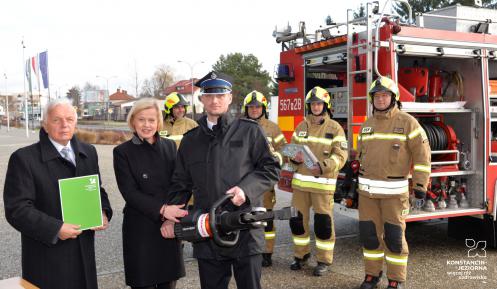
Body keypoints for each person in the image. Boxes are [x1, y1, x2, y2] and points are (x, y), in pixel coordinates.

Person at [161, 71, 280, 289]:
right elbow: (181, 184)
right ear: (202, 98)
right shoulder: (191, 140)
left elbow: (270, 169)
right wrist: (171, 216)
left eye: (220, 95)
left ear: (230, 97)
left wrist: (245, 189)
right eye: (209, 95)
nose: (215, 100)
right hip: (207, 231)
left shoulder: (250, 132)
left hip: (245, 228)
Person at [3, 99, 112, 289]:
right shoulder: (24, 158)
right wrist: (55, 229)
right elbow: (17, 209)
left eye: (69, 119)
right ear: (45, 125)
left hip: (83, 253)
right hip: (47, 256)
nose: (64, 125)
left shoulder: (88, 152)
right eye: (56, 120)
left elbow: (97, 188)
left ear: (76, 123)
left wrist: (102, 210)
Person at [357, 77, 431, 289]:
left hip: (394, 195)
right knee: (370, 237)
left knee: (394, 238)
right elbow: (361, 157)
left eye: (384, 96)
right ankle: (372, 275)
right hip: (367, 195)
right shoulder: (367, 124)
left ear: (393, 98)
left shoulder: (408, 122)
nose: (380, 100)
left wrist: (419, 186)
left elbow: (422, 157)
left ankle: (395, 279)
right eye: (377, 96)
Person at [113, 98, 186, 289]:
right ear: (133, 122)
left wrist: (171, 218)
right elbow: (129, 192)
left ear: (158, 122)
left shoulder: (170, 146)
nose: (147, 125)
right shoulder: (122, 152)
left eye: (151, 120)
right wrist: (163, 210)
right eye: (141, 120)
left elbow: (180, 184)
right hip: (140, 230)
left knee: (168, 283)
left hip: (168, 228)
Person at [288, 86, 348, 276]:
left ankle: (323, 261)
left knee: (323, 225)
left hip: (323, 185)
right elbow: (290, 149)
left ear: (326, 105)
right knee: (297, 222)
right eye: (312, 104)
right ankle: (301, 256)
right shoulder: (301, 126)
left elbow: (341, 156)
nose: (315, 107)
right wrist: (292, 157)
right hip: (300, 186)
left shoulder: (335, 128)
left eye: (319, 103)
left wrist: (323, 166)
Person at [242, 90, 287, 267]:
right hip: (243, 181)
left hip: (264, 182)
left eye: (257, 106)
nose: (254, 109)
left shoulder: (272, 127)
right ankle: (246, 250)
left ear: (264, 108)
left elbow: (284, 149)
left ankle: (266, 252)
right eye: (251, 107)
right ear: (246, 109)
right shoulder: (239, 126)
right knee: (245, 217)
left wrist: (277, 159)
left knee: (266, 219)